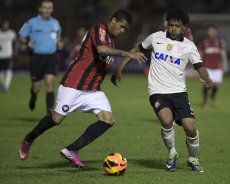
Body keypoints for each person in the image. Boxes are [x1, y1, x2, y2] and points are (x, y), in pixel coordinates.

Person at [18, 9, 146, 168]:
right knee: (56, 119)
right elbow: (101, 50)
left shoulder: (111, 41)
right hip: (74, 84)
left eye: (125, 29)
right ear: (113, 20)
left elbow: (102, 60)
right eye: (121, 26)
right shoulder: (99, 29)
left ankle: (71, 150)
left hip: (92, 89)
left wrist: (116, 72)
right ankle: (29, 138)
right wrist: (127, 53)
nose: (122, 31)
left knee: (107, 120)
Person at [111, 7, 213, 173]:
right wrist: (120, 68)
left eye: (177, 25)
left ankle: (192, 159)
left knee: (190, 126)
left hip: (179, 91)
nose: (172, 28)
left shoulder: (189, 46)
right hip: (157, 90)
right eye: (170, 24)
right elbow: (135, 50)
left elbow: (199, 67)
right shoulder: (155, 38)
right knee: (166, 121)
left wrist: (206, 78)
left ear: (184, 27)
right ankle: (172, 153)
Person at [18, 0, 62, 115]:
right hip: (37, 58)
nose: (47, 10)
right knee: (37, 87)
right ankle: (33, 96)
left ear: (52, 9)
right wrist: (27, 42)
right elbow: (21, 37)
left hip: (51, 58)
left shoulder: (55, 23)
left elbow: (57, 37)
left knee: (49, 83)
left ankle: (49, 113)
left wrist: (59, 43)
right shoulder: (31, 22)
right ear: (40, 9)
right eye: (45, 7)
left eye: (49, 8)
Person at [197, 25, 228, 107]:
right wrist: (198, 65)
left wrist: (225, 64)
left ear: (215, 32)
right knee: (206, 83)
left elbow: (223, 54)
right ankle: (205, 101)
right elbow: (199, 53)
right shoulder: (203, 41)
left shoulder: (220, 41)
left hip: (217, 67)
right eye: (209, 31)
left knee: (216, 84)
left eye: (212, 31)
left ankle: (213, 96)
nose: (211, 32)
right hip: (206, 66)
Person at [0, 20, 16, 92]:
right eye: (4, 24)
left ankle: (6, 86)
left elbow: (15, 43)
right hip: (0, 56)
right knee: (1, 72)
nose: (5, 26)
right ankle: (3, 84)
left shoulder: (11, 33)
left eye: (6, 24)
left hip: (8, 55)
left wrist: (14, 52)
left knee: (8, 70)